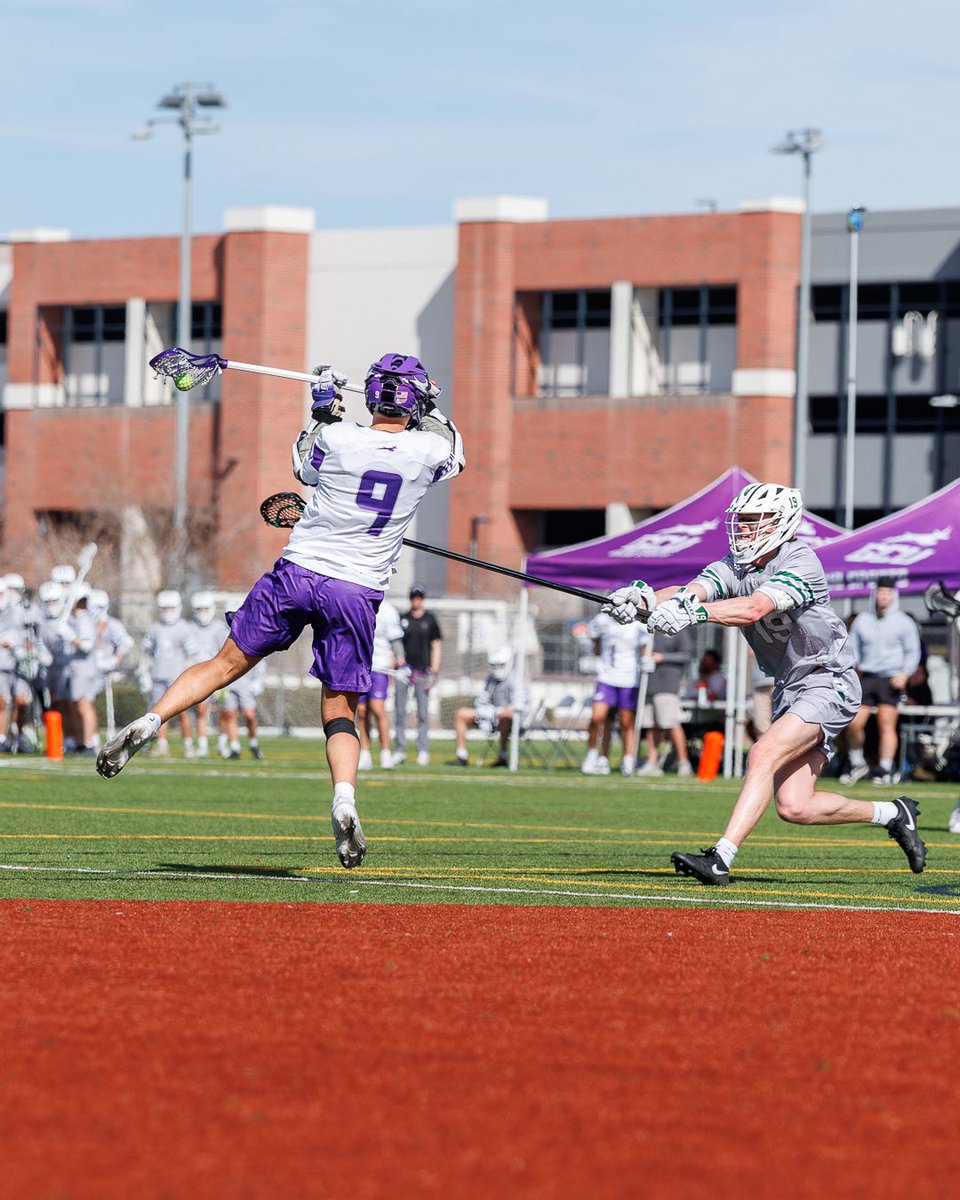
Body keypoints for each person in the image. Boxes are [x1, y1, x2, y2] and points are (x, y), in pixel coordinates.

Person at [97, 352, 465, 871]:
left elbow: (303, 466)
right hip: (355, 590)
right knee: (339, 709)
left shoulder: (338, 439)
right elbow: (450, 444)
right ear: (415, 399)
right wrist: (398, 404)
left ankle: (153, 719)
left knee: (225, 663)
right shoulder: (428, 451)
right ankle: (344, 800)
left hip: (298, 573)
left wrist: (322, 409)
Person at [602, 481, 926, 886]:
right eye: (743, 522)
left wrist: (695, 615)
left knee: (762, 754)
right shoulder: (734, 565)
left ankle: (720, 857)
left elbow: (755, 607)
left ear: (782, 522)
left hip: (828, 680)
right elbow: (691, 592)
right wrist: (642, 602)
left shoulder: (800, 560)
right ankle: (894, 813)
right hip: (789, 688)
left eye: (755, 522)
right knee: (795, 806)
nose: (745, 530)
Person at [840, 577, 921, 786]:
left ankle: (884, 768)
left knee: (886, 723)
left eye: (887, 593)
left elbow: (913, 651)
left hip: (891, 678)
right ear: (875, 594)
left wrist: (905, 673)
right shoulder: (862, 620)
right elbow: (852, 648)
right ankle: (857, 763)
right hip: (868, 676)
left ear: (893, 595)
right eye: (880, 592)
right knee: (854, 722)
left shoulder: (904, 621)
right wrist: (850, 671)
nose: (883, 597)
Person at [581, 599, 653, 777]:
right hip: (606, 677)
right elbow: (596, 644)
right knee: (598, 717)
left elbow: (645, 647)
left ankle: (628, 760)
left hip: (629, 678)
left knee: (626, 722)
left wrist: (647, 659)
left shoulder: (637, 624)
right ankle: (594, 756)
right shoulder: (603, 620)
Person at [138, 591, 199, 757]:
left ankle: (188, 745)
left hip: (178, 678)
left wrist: (188, 675)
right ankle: (162, 744)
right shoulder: (155, 628)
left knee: (183, 712)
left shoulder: (184, 629)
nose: (168, 611)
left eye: (171, 608)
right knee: (158, 713)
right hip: (158, 676)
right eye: (165, 608)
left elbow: (192, 655)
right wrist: (144, 673)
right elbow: (147, 653)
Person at [635, 627, 694, 778]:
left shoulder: (677, 628)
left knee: (671, 724)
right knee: (651, 726)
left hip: (667, 685)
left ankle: (684, 763)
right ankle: (652, 762)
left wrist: (663, 657)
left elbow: (686, 655)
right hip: (649, 684)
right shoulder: (647, 628)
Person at [394, 584, 442, 767]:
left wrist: (434, 670)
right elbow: (396, 645)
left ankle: (423, 750)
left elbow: (436, 645)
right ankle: (400, 750)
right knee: (400, 712)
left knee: (422, 713)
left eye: (419, 597)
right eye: (414, 597)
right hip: (404, 672)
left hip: (423, 672)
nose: (416, 600)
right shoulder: (402, 619)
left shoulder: (430, 620)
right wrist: (396, 666)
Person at [357, 597, 406, 770]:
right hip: (358, 665)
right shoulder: (358, 604)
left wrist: (401, 662)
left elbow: (396, 640)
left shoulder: (388, 611)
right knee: (362, 711)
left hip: (380, 667)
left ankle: (385, 753)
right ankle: (365, 753)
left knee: (377, 709)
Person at [453, 646, 516, 767]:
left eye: (500, 665)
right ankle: (462, 756)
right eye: (494, 665)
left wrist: (499, 712)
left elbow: (518, 708)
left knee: (504, 716)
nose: (497, 669)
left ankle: (503, 757)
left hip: (509, 720)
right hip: (489, 717)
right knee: (460, 714)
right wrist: (484, 709)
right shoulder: (490, 679)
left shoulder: (515, 680)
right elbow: (484, 699)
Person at [186, 592, 230, 758]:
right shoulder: (189, 628)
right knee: (201, 710)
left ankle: (222, 742)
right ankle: (202, 744)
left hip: (219, 673)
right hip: (200, 674)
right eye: (199, 609)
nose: (202, 612)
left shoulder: (219, 628)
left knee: (225, 711)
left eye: (205, 608)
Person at [218, 659, 267, 760]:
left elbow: (261, 661)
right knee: (230, 714)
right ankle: (234, 747)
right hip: (230, 683)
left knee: (249, 715)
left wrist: (257, 682)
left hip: (247, 684)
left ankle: (253, 744)